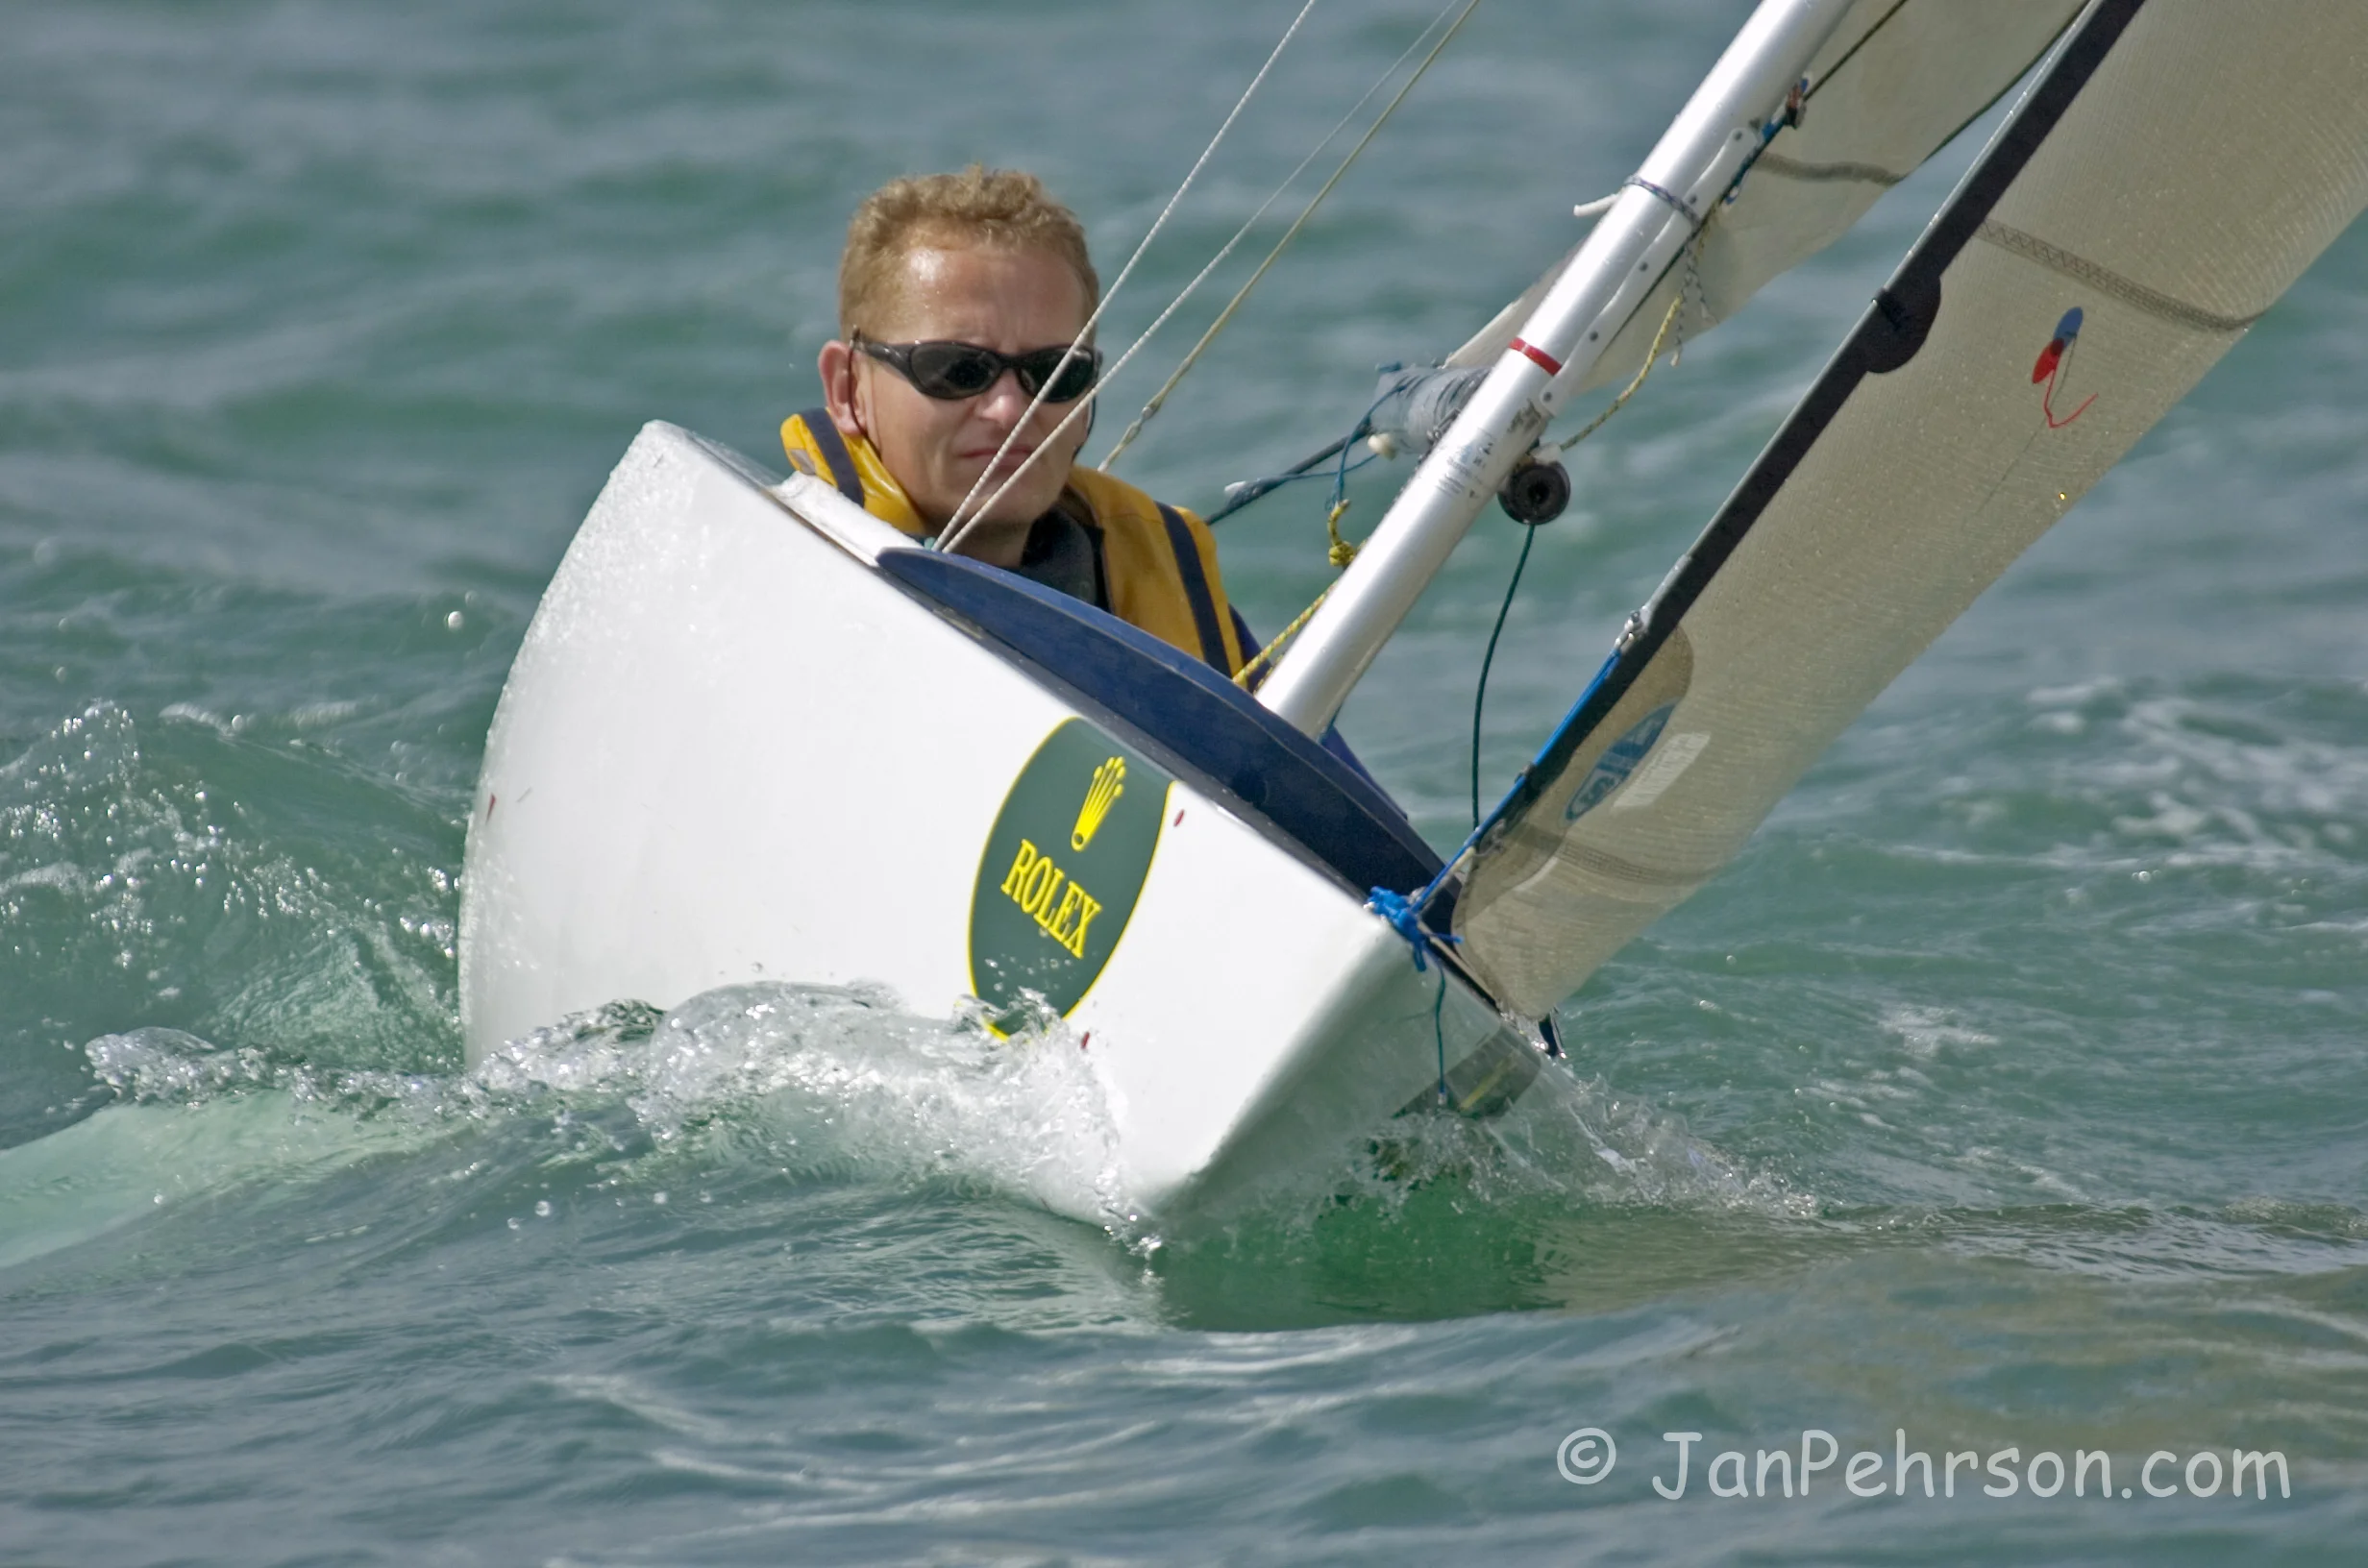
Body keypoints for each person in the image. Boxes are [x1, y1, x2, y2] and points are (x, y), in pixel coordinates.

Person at [782, 166, 1259, 678]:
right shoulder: (763, 577)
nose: (1010, 411)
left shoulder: (1177, 591)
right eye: (957, 369)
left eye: (1053, 373)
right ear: (848, 389)